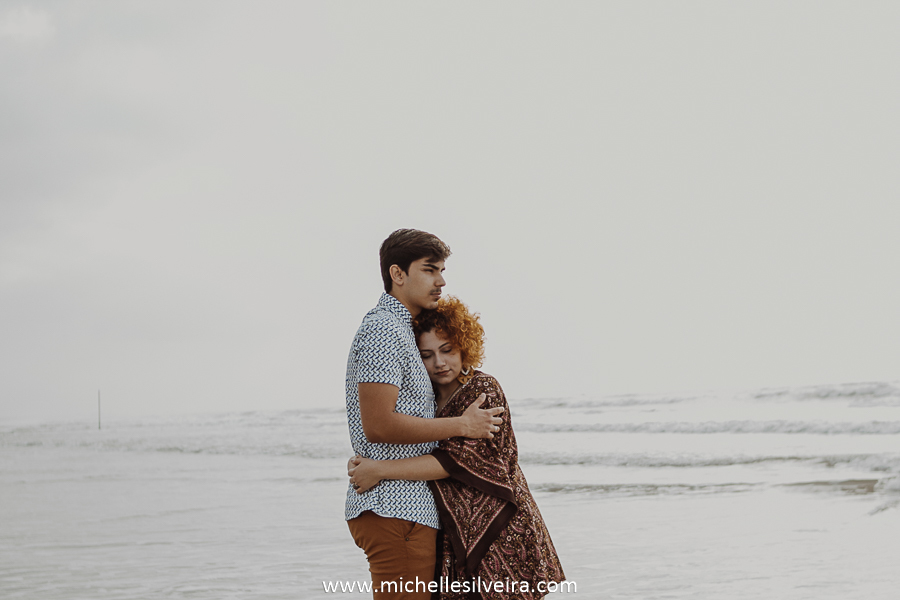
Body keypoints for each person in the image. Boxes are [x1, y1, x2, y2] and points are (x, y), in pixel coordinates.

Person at [349, 297, 565, 600]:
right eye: (427, 354)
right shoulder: (427, 401)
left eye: (447, 350)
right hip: (454, 529)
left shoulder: (483, 391)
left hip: (499, 524)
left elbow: (455, 461)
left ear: (464, 345)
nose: (439, 362)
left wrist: (381, 470)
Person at [345, 229, 505, 600]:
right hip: (394, 507)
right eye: (430, 270)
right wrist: (463, 424)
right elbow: (379, 425)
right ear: (398, 274)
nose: (441, 281)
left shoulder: (404, 330)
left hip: (407, 508)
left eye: (442, 270)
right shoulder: (383, 330)